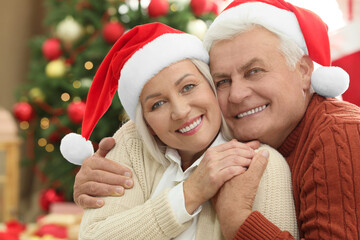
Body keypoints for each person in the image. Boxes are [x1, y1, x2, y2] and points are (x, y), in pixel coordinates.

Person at [72, 0, 360, 239]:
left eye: (254, 71)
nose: (236, 95)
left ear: (304, 71)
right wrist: (189, 192)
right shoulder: (134, 143)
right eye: (222, 81)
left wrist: (237, 217)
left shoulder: (334, 136)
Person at [60, 22, 298, 239]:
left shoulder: (261, 164)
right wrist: (190, 193)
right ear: (148, 125)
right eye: (157, 104)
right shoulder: (132, 146)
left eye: (189, 87)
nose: (181, 112)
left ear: (212, 85)